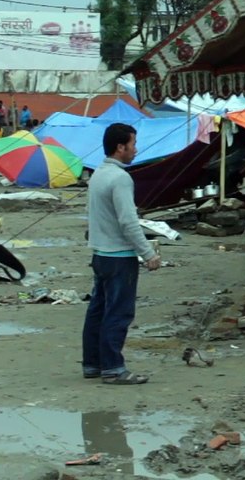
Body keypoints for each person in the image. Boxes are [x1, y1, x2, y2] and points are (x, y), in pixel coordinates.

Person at [81, 123, 161, 385]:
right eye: (133, 144)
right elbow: (128, 222)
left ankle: (93, 363)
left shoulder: (98, 175)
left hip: (101, 254)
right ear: (120, 146)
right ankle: (113, 368)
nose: (135, 150)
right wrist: (148, 253)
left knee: (98, 310)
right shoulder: (120, 178)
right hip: (119, 257)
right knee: (118, 312)